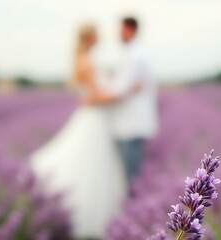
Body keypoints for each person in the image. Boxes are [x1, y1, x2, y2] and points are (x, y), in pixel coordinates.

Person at [30, 24, 138, 239]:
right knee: (92, 166)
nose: (100, 36)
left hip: (99, 120)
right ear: (89, 38)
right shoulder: (86, 62)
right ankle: (85, 219)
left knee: (97, 166)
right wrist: (127, 92)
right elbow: (96, 97)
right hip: (94, 119)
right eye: (97, 33)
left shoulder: (88, 60)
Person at [110, 17, 158, 193]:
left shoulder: (136, 55)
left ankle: (133, 207)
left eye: (121, 29)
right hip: (129, 122)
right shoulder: (134, 53)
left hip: (132, 123)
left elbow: (121, 88)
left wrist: (98, 96)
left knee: (131, 174)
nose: (118, 34)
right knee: (130, 172)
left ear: (131, 30)